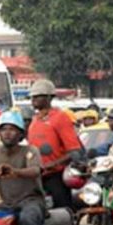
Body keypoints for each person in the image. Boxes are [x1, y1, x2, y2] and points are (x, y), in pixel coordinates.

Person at [26, 80, 82, 208]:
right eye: (32, 97)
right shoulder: (35, 120)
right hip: (36, 177)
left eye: (37, 96)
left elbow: (74, 151)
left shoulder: (60, 118)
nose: (33, 100)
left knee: (62, 213)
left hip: (56, 177)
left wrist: (53, 164)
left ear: (49, 97)